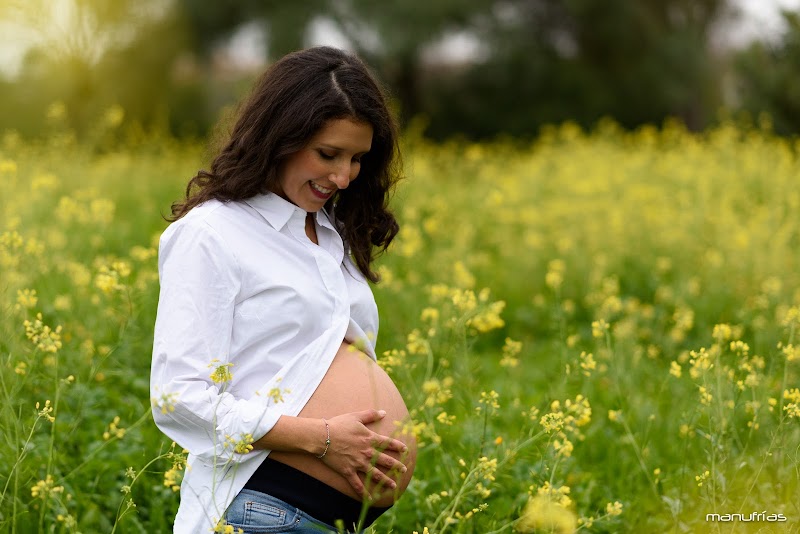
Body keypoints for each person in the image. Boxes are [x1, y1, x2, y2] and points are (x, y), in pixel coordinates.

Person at [150, 46, 417, 534]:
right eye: (328, 154)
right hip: (260, 510)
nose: (342, 177)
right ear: (280, 137)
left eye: (357, 159)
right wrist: (322, 439)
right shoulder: (213, 233)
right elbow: (178, 396)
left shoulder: (327, 233)